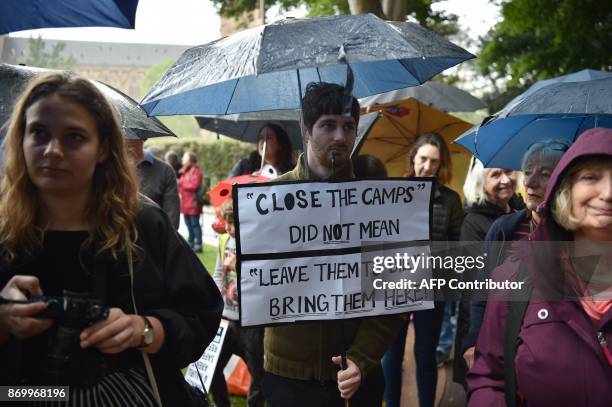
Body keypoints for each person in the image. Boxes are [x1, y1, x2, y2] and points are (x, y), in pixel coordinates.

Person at [0, 73, 223, 406]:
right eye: (39, 133)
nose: (53, 150)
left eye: (74, 137)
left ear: (103, 148)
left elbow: (200, 314)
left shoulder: (143, 225)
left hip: (128, 395)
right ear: (21, 139)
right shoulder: (5, 231)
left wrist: (144, 330)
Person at [261, 82, 405, 407]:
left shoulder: (379, 204)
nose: (340, 136)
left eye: (348, 126)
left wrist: (361, 358)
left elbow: (395, 291)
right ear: (306, 129)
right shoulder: (269, 202)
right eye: (328, 125)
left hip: (358, 377)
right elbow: (260, 287)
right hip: (289, 378)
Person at [468, 127, 612, 405]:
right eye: (590, 177)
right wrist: (470, 339)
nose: (607, 193)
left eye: (545, 173)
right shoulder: (513, 267)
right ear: (566, 190)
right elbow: (489, 377)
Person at [461, 139, 570, 370]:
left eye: (544, 173)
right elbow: (483, 291)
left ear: (565, 180)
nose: (530, 182)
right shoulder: (503, 229)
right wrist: (474, 342)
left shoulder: (578, 236)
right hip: (506, 350)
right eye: (528, 172)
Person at [382, 133, 464, 407]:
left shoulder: (450, 200)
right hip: (397, 283)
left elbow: (456, 245)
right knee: (391, 355)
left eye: (434, 161)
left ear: (441, 165)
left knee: (426, 353)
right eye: (423, 159)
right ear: (413, 158)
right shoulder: (393, 193)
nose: (428, 166)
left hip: (433, 285)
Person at [453, 158, 523, 386]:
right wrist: (472, 339)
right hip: (486, 325)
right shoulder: (473, 222)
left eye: (509, 171)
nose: (505, 179)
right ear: (480, 183)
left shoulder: (523, 211)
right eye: (495, 175)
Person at [210, 199, 265, 407]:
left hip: (250, 324)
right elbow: (217, 274)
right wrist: (216, 302)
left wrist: (239, 267)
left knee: (258, 374)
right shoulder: (224, 241)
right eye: (227, 223)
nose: (230, 228)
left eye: (235, 223)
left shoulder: (255, 245)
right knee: (214, 368)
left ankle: (254, 404)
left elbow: (263, 280)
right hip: (226, 320)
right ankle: (222, 403)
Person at [126, 138, 180, 230]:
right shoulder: (108, 169)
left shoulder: (165, 171)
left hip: (153, 238)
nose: (125, 139)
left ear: (142, 137)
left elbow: (172, 217)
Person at [229, 123, 295, 178]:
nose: (263, 141)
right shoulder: (245, 165)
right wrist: (249, 181)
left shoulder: (291, 172)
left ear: (280, 144)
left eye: (269, 137)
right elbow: (228, 189)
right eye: (260, 138)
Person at [179, 151, 204, 252]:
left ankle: (198, 244)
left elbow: (194, 185)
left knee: (195, 224)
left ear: (190, 160)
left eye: (184, 157)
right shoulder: (185, 171)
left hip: (193, 203)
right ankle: (191, 242)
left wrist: (182, 183)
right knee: (188, 224)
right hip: (185, 203)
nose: (182, 159)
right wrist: (183, 183)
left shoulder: (196, 171)